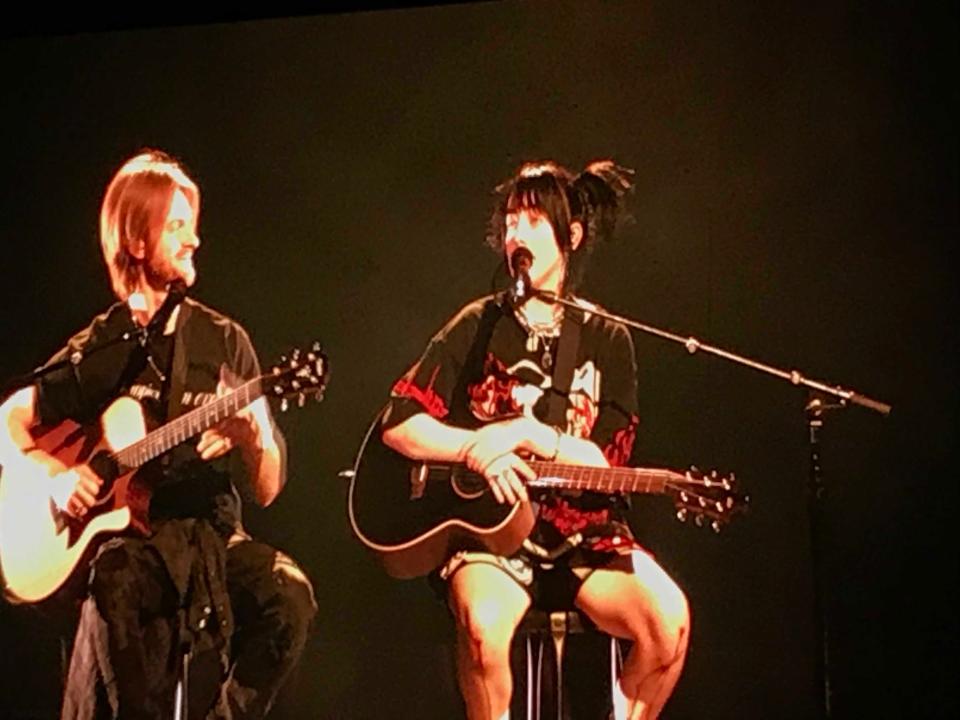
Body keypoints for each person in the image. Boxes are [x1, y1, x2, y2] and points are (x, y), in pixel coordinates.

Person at [0, 150, 316, 719]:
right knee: (116, 580)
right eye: (176, 226)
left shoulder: (225, 342)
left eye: (193, 226)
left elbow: (268, 487)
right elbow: (10, 418)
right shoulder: (103, 345)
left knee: (289, 600)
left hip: (212, 539)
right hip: (134, 544)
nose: (194, 240)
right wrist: (55, 478)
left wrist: (253, 438)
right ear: (137, 242)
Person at [380, 160, 690, 720]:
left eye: (531, 220)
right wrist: (475, 447)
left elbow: (608, 460)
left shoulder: (608, 338)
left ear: (569, 236)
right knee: (480, 631)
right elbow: (401, 422)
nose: (515, 234)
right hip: (493, 535)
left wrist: (532, 435)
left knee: (668, 624)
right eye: (509, 221)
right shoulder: (478, 323)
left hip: (583, 535)